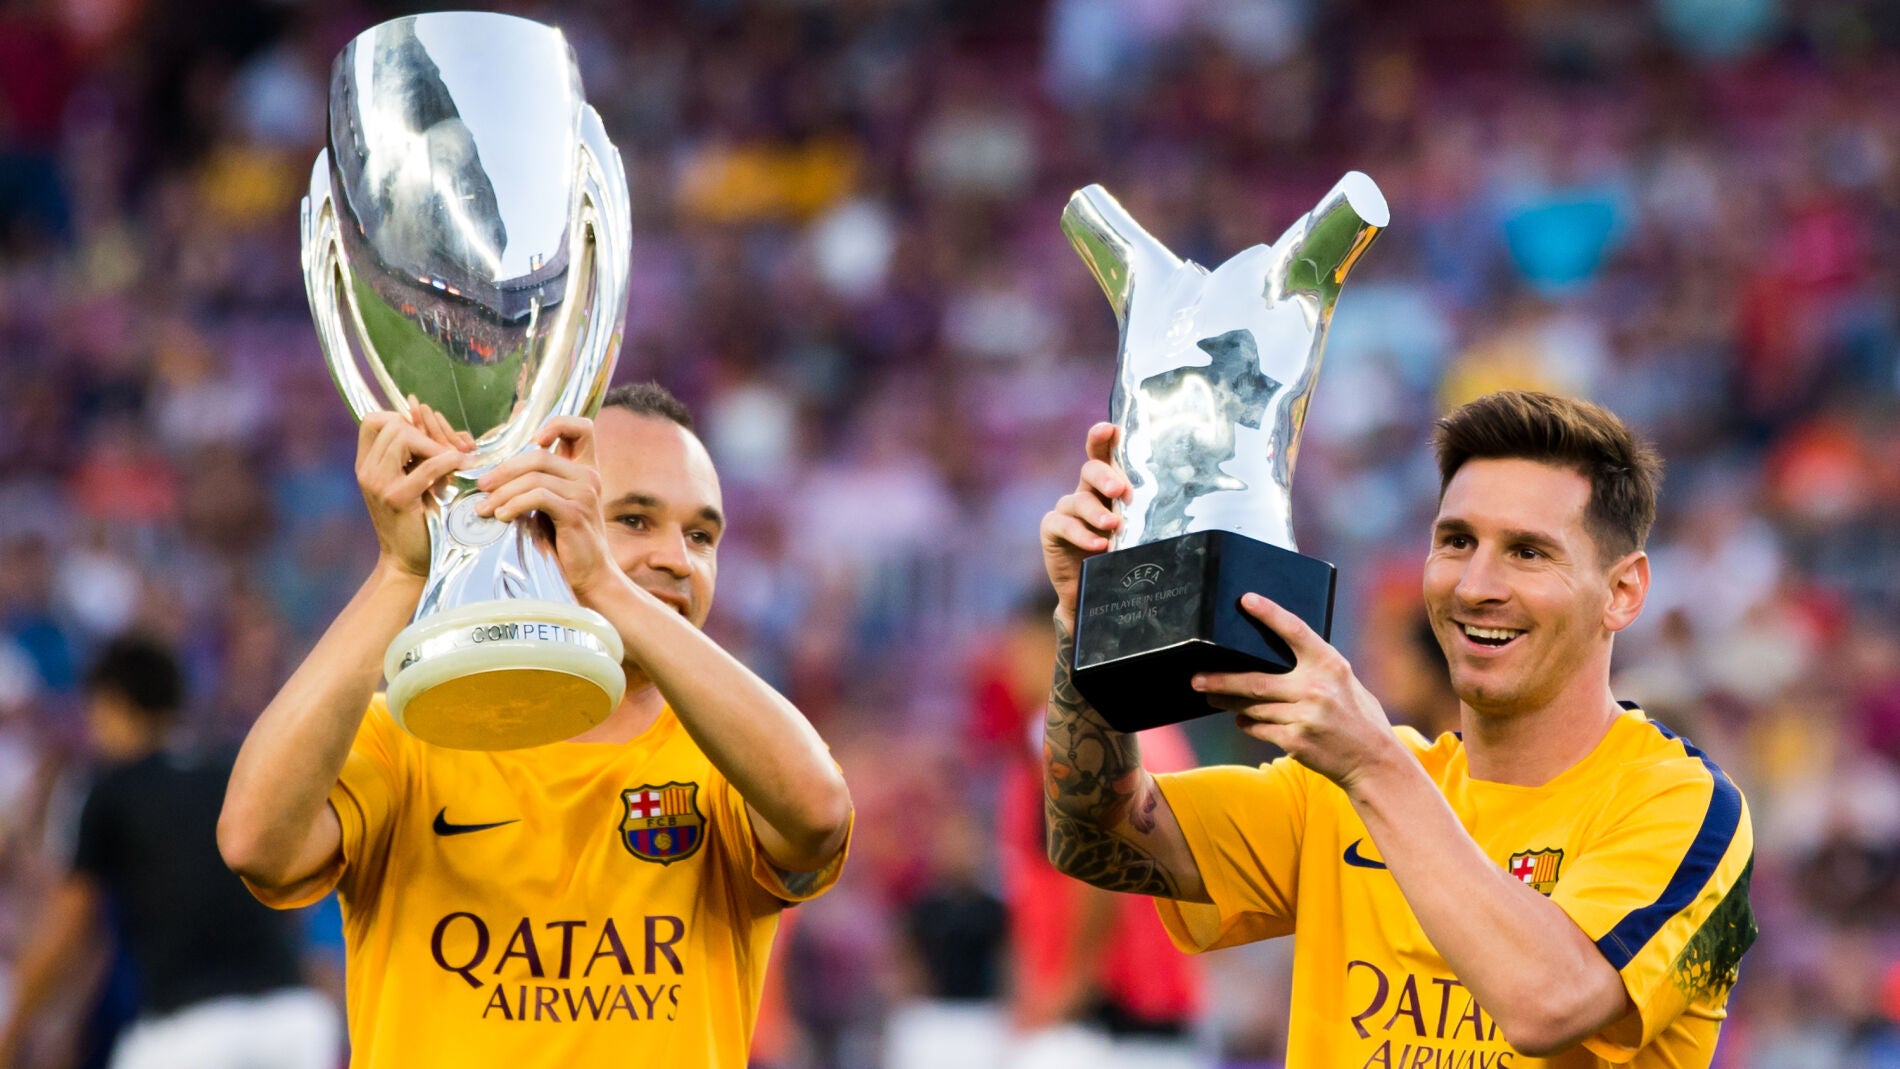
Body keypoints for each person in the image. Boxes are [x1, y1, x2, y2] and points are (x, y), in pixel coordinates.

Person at [1037, 390, 1756, 1067]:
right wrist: (1087, 625)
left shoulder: (1686, 808)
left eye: (1528, 551)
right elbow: (1096, 837)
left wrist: (1374, 764)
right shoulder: (1338, 790)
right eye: (1456, 540)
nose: (1476, 585)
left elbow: (1549, 1003)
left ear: (1622, 591)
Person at [217, 383, 853, 1066]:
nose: (678, 557)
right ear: (535, 516)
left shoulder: (726, 761)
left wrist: (606, 581)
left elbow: (819, 814)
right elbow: (256, 843)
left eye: (701, 534)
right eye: (635, 520)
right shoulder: (410, 734)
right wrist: (401, 571)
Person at [0, 635, 340, 1069]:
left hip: (190, 1035)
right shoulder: (231, 771)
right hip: (294, 1021)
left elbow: (71, 926)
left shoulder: (113, 790)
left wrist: (13, 1030)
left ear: (113, 704)